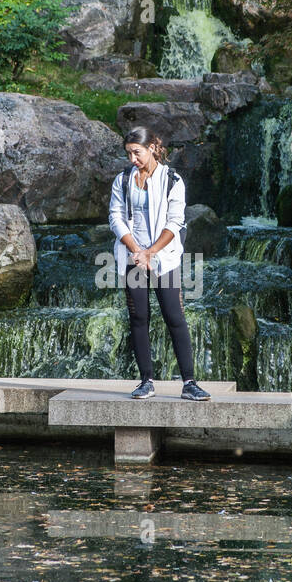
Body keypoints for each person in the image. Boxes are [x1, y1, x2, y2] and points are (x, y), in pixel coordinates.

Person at [109, 126, 210, 401]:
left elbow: (175, 222)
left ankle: (189, 383)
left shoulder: (172, 180)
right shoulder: (123, 179)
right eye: (129, 153)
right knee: (138, 318)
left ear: (152, 147)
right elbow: (115, 217)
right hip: (133, 257)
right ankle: (146, 381)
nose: (132, 159)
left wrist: (151, 252)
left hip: (163, 258)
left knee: (174, 317)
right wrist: (136, 250)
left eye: (137, 153)